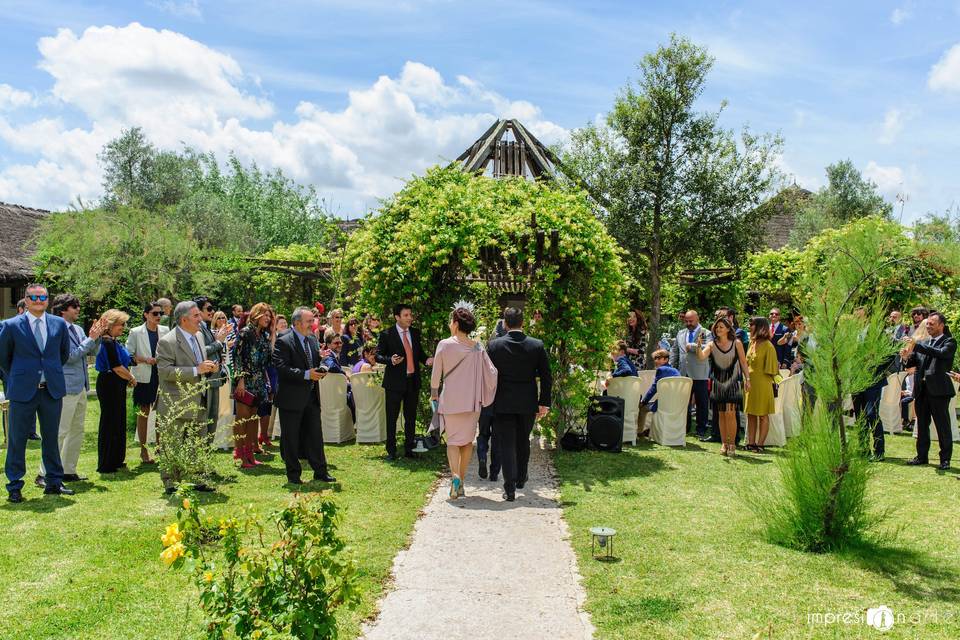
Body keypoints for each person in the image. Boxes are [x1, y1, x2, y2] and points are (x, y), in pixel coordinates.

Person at [0, 284, 73, 502]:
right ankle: (14, 486)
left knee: (51, 438)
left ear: (48, 300)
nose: (39, 300)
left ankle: (53, 482)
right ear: (27, 300)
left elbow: (63, 354)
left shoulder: (59, 324)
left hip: (51, 390)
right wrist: (21, 375)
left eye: (43, 297)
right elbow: (3, 358)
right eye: (34, 297)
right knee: (17, 439)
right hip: (23, 390)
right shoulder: (11, 325)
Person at [36, 295, 105, 486]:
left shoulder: (78, 329)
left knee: (77, 430)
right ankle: (44, 473)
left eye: (79, 306)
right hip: (64, 387)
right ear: (62, 309)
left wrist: (98, 338)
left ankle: (67, 469)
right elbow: (69, 357)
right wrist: (91, 339)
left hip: (81, 385)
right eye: (74, 306)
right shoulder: (55, 329)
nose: (78, 309)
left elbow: (91, 352)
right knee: (59, 431)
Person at [430, 304, 498, 499]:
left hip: (450, 400)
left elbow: (436, 374)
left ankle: (455, 477)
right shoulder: (477, 347)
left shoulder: (444, 344)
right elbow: (492, 372)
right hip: (472, 402)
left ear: (456, 324)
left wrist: (434, 394)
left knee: (452, 441)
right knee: (467, 442)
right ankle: (461, 482)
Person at [486, 307, 551, 502]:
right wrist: (544, 403)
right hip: (527, 402)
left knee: (507, 445)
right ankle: (521, 478)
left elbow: (488, 377)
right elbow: (547, 376)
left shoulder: (494, 346)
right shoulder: (536, 345)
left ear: (505, 324)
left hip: (503, 402)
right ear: (523, 323)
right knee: (523, 441)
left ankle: (510, 489)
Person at [155, 301, 219, 492]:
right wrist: (195, 369)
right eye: (196, 316)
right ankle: (170, 482)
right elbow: (165, 372)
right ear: (184, 320)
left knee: (197, 441)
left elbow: (198, 365)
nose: (200, 319)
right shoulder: (167, 341)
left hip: (199, 398)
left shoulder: (199, 336)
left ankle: (197, 478)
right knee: (172, 443)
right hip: (176, 401)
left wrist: (207, 368)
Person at [272, 306, 335, 485]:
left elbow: (313, 362)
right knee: (291, 438)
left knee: (315, 435)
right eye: (309, 321)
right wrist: (307, 374)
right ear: (297, 323)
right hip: (291, 398)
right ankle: (293, 475)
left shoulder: (313, 340)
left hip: (312, 397)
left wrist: (322, 363)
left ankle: (320, 471)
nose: (313, 324)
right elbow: (282, 368)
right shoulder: (284, 341)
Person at [376, 304, 433, 460]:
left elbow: (419, 353)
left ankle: (409, 449)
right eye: (406, 315)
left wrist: (428, 359)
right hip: (394, 383)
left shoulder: (414, 333)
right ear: (397, 317)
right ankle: (391, 451)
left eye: (410, 315)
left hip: (412, 381)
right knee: (391, 418)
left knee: (410, 417)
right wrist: (390, 360)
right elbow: (378, 356)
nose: (410, 318)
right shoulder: (387, 334)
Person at [901, 311, 955, 470]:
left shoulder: (949, 341)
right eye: (927, 324)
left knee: (942, 426)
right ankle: (921, 456)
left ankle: (945, 460)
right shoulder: (925, 343)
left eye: (932, 323)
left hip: (939, 391)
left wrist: (917, 345)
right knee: (922, 425)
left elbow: (940, 354)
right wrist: (907, 355)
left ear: (941, 325)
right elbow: (914, 363)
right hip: (922, 390)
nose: (928, 326)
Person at [696, 317, 749, 456]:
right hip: (717, 382)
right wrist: (698, 346)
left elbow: (743, 363)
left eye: (721, 327)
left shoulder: (737, 343)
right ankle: (724, 443)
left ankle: (732, 444)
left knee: (731, 413)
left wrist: (747, 379)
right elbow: (701, 357)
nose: (718, 329)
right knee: (721, 414)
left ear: (728, 329)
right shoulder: (712, 344)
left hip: (733, 381)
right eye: (717, 327)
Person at [127, 301, 170, 463]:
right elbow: (129, 356)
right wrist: (145, 359)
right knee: (144, 412)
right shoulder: (136, 332)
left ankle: (161, 447)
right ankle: (143, 450)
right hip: (144, 376)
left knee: (162, 412)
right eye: (155, 313)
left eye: (161, 313)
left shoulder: (165, 331)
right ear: (146, 315)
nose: (158, 316)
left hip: (162, 376)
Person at [233, 303, 275, 468]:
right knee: (242, 419)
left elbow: (269, 361)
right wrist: (240, 380)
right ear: (257, 315)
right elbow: (236, 357)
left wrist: (272, 336)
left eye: (269, 316)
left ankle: (250, 455)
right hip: (245, 382)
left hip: (259, 382)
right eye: (265, 315)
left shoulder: (264, 336)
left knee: (252, 420)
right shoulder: (245, 333)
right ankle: (241, 456)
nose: (268, 318)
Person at [95, 310, 137, 474]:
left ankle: (117, 459)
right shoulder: (107, 342)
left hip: (117, 383)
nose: (123, 328)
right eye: (121, 324)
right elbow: (117, 367)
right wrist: (131, 378)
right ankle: (106, 463)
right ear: (111, 325)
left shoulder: (114, 341)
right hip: (109, 383)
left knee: (119, 421)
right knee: (110, 422)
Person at [670, 310, 712, 441]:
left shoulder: (705, 332)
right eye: (686, 321)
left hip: (700, 373)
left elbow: (707, 347)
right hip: (683, 373)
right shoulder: (681, 333)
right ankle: (685, 427)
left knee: (701, 403)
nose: (688, 324)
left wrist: (692, 346)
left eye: (691, 321)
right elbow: (675, 351)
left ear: (697, 319)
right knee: (683, 402)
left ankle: (701, 429)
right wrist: (672, 367)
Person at [195, 297, 231, 439]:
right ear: (199, 310)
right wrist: (218, 342)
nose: (213, 311)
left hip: (215, 378)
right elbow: (200, 351)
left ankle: (207, 452)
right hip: (207, 379)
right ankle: (203, 452)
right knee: (207, 419)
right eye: (209, 309)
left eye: (212, 308)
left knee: (212, 418)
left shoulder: (205, 327)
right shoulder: (199, 328)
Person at [477, 318, 507, 481]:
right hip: (502, 400)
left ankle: (482, 456)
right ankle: (494, 472)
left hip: (486, 398)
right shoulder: (509, 349)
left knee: (482, 433)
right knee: (498, 437)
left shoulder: (488, 349)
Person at [744, 317, 778, 452]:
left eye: (752, 325)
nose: (750, 327)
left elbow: (772, 370)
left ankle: (760, 444)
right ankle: (751, 442)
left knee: (763, 415)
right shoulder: (751, 343)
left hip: (763, 384)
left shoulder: (769, 346)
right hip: (750, 383)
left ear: (760, 327)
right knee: (751, 414)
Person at [639, 349, 680, 437]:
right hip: (677, 403)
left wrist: (644, 401)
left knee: (642, 408)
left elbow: (654, 388)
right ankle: (649, 430)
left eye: (658, 358)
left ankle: (639, 432)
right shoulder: (676, 371)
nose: (656, 361)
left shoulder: (661, 370)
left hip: (664, 404)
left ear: (666, 359)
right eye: (655, 358)